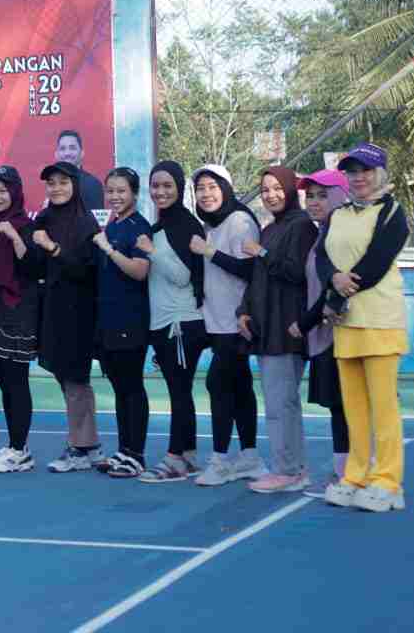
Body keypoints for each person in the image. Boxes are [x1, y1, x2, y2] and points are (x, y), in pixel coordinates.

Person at [320, 143, 410, 512]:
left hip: (380, 320)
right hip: (346, 324)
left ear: (380, 173)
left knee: (383, 408)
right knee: (354, 408)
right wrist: (333, 278)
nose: (358, 177)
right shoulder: (337, 214)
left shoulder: (393, 212)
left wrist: (339, 291)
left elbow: (376, 262)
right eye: (352, 171)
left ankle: (388, 482)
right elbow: (321, 256)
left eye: (366, 170)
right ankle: (355, 476)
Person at [238, 166, 317, 494]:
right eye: (265, 189)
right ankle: (294, 469)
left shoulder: (301, 226)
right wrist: (244, 311)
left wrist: (261, 252)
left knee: (280, 404)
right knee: (282, 403)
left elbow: (296, 273)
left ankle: (288, 471)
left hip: (286, 328)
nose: (271, 195)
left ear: (290, 190)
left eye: (277, 188)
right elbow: (257, 277)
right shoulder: (271, 228)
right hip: (267, 328)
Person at [189, 165, 268, 486]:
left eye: (212, 186)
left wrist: (209, 251)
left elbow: (251, 270)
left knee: (218, 384)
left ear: (225, 188)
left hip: (237, 320)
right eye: (200, 188)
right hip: (217, 320)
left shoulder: (239, 221)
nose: (206, 194)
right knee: (239, 385)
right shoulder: (212, 223)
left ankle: (220, 460)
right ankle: (250, 457)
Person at [134, 161, 206, 483]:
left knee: (179, 392)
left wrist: (152, 251)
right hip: (164, 324)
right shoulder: (160, 226)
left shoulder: (186, 225)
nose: (160, 191)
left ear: (179, 187)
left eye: (167, 185)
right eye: (155, 185)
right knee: (180, 391)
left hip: (182, 323)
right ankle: (188, 456)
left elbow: (182, 276)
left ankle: (175, 458)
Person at [31, 160, 101, 472]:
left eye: (63, 182)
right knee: (65, 377)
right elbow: (35, 264)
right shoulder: (44, 218)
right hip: (52, 309)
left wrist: (53, 248)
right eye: (51, 183)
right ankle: (88, 445)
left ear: (75, 185)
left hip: (79, 310)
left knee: (76, 379)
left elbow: (86, 270)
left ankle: (80, 447)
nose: (56, 188)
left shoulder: (86, 222)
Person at [0, 166, 42, 474]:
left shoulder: (27, 226)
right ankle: (16, 445)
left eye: (3, 191)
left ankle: (19, 450)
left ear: (14, 193)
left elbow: (33, 268)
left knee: (16, 382)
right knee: (4, 382)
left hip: (17, 312)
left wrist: (14, 236)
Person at [289, 169, 350, 497]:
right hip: (325, 336)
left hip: (341, 334)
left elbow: (331, 289)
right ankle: (345, 472)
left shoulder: (340, 236)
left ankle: (350, 475)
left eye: (322, 195)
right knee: (338, 406)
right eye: (310, 196)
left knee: (346, 406)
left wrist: (303, 323)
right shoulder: (321, 234)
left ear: (340, 196)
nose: (313, 202)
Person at [89, 168, 152, 478]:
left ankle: (136, 454)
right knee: (119, 387)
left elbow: (140, 271)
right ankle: (124, 450)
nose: (115, 196)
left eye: (121, 191)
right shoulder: (113, 225)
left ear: (135, 194)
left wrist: (108, 249)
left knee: (131, 386)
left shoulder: (139, 228)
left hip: (131, 319)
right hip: (108, 321)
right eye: (110, 191)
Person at [53, 129, 105, 210]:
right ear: (56, 154)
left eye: (72, 148)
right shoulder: (52, 183)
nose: (67, 153)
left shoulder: (93, 184)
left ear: (82, 153)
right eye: (62, 148)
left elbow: (95, 217)